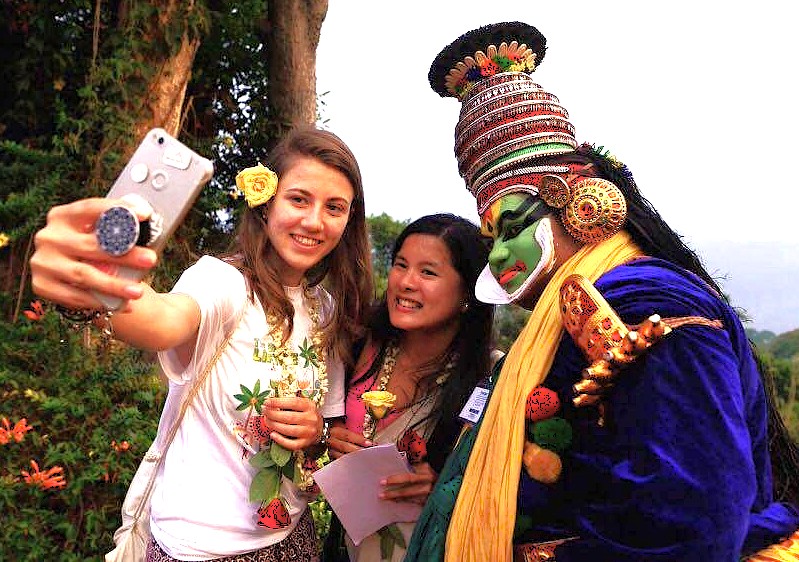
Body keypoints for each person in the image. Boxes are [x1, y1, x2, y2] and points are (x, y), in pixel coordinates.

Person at [404, 22, 799, 562]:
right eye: (490, 240)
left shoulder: (646, 301)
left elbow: (692, 524)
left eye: (511, 227)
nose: (496, 257)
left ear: (578, 202)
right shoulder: (576, 305)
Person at [30, 125, 374, 561]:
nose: (314, 221)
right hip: (200, 547)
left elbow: (327, 428)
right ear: (266, 203)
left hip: (292, 535)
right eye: (299, 199)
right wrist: (94, 287)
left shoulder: (325, 308)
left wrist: (315, 431)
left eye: (334, 207)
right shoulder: (222, 282)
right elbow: (163, 319)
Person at [323, 214, 495, 562]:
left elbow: (500, 485)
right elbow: (318, 417)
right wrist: (328, 433)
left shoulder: (491, 377)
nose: (405, 282)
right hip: (341, 546)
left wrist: (444, 488)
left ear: (467, 292)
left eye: (427, 272)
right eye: (401, 265)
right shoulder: (356, 343)